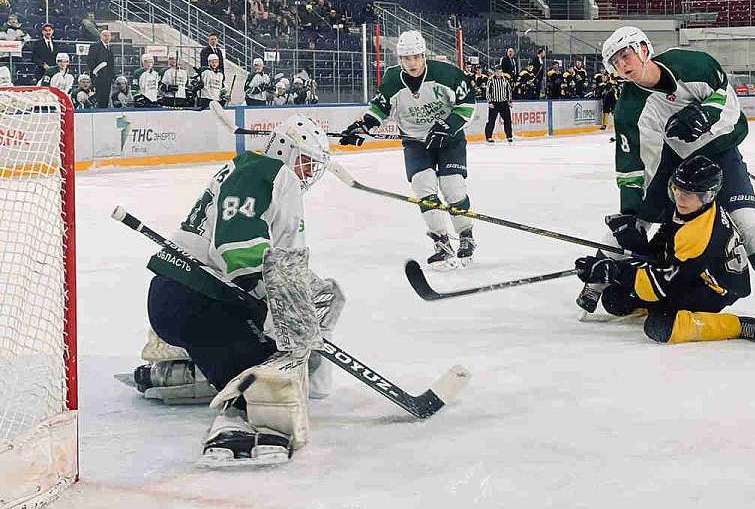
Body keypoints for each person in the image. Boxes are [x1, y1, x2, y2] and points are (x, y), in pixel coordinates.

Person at [140, 114, 341, 464]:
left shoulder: (255, 171)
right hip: (194, 298)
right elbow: (236, 250)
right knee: (273, 370)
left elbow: (267, 260)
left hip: (184, 297)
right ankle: (235, 419)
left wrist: (290, 298)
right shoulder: (266, 171)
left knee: (294, 336)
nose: (308, 174)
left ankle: (183, 371)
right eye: (306, 163)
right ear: (286, 149)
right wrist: (277, 303)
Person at [584, 25, 755, 332]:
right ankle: (594, 285)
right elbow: (633, 163)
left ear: (644, 49)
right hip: (675, 161)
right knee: (630, 221)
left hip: (722, 152)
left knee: (747, 220)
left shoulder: (692, 64)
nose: (622, 65)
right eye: (615, 62)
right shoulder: (629, 108)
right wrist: (633, 210)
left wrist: (704, 114)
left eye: (625, 55)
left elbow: (730, 105)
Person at [575, 156, 755, 343]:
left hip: (713, 289)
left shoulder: (699, 235)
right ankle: (663, 306)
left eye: (688, 193)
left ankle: (738, 326)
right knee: (615, 300)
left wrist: (615, 272)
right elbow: (666, 244)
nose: (680, 198)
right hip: (691, 271)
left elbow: (659, 285)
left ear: (708, 195)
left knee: (661, 326)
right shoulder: (690, 207)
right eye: (677, 188)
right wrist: (636, 242)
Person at [339, 30, 477, 269]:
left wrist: (448, 125)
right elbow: (379, 109)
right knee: (424, 188)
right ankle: (441, 242)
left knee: (452, 187)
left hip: (448, 140)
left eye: (415, 57)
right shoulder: (393, 79)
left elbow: (467, 106)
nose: (411, 63)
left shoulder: (447, 74)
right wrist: (362, 126)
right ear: (399, 59)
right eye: (405, 58)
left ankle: (465, 235)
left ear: (423, 55)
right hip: (415, 143)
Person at [86, 28, 115, 108]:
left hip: (108, 77)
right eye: (105, 35)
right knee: (99, 95)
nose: (107, 37)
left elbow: (111, 63)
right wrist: (95, 72)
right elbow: (90, 60)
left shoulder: (110, 48)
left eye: (109, 36)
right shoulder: (95, 46)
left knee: (106, 96)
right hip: (98, 76)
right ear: (101, 36)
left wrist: (112, 76)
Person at [485, 65, 513, 143]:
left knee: (507, 120)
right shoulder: (490, 80)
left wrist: (509, 101)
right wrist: (490, 102)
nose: (499, 73)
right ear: (495, 72)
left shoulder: (505, 79)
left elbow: (509, 90)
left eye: (500, 72)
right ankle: (488, 136)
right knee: (491, 120)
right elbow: (488, 92)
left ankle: (509, 136)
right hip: (494, 103)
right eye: (497, 72)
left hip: (503, 103)